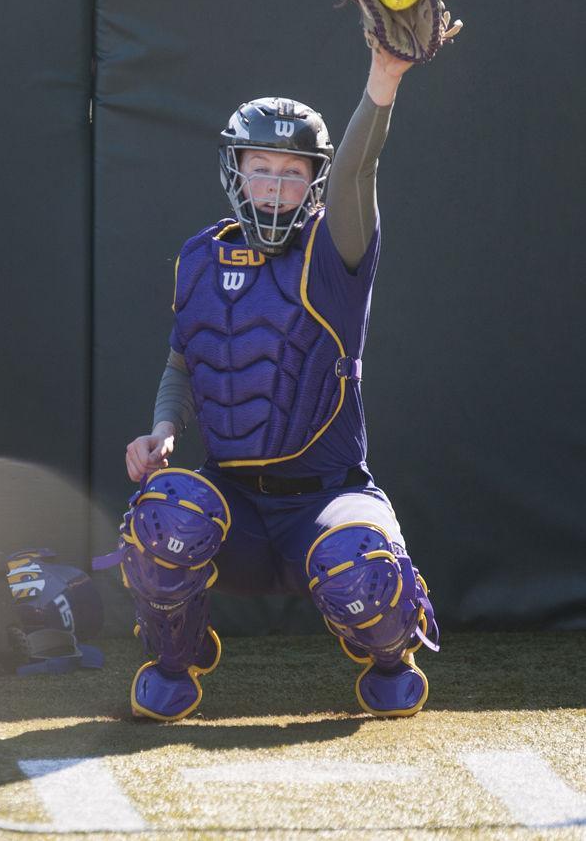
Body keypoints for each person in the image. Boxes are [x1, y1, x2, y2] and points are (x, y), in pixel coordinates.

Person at [120, 43, 439, 722]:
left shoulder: (335, 251)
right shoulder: (201, 256)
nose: (273, 185)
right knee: (164, 512)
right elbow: (184, 359)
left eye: (292, 173)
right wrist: (163, 428)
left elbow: (359, 167)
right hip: (233, 506)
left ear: (314, 184)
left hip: (325, 502)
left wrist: (383, 79)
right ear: (235, 172)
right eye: (259, 168)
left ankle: (388, 652)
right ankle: (176, 655)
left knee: (361, 565)